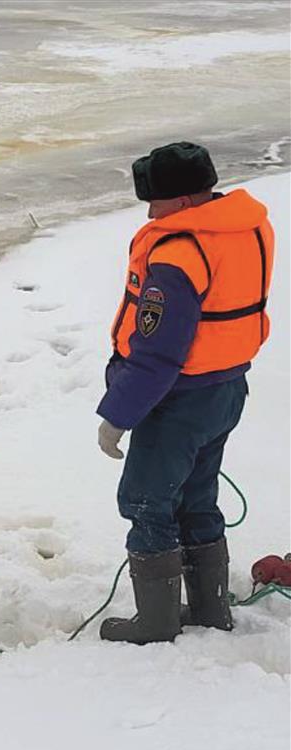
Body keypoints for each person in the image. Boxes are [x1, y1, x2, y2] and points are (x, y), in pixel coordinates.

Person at [96, 142, 274, 644]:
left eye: (153, 200)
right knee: (197, 496)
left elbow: (158, 352)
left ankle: (155, 625)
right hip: (226, 389)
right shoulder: (246, 228)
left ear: (180, 201)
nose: (149, 211)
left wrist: (118, 416)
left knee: (147, 501)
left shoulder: (179, 252)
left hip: (175, 399)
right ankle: (210, 610)